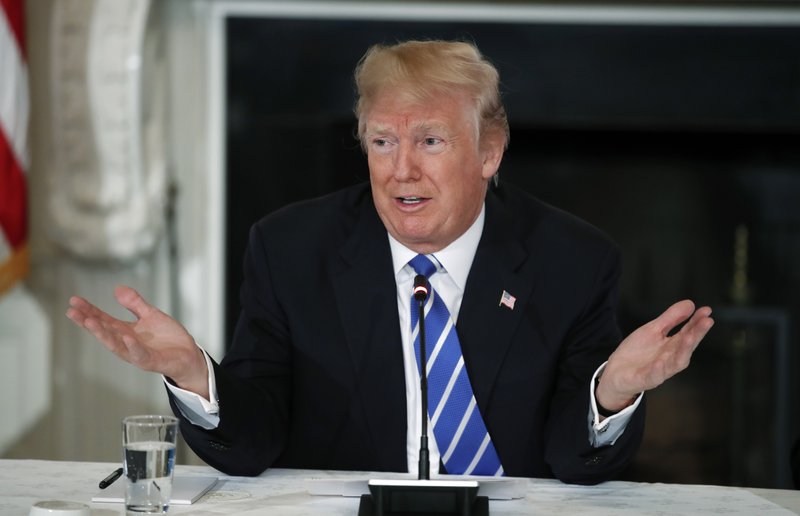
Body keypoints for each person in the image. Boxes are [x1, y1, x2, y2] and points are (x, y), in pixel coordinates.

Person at [66, 40, 714, 484]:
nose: (402, 169)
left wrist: (611, 391)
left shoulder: (571, 259)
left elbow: (575, 462)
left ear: (490, 152)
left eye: (430, 141)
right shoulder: (293, 250)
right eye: (382, 141)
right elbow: (255, 437)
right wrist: (196, 375)